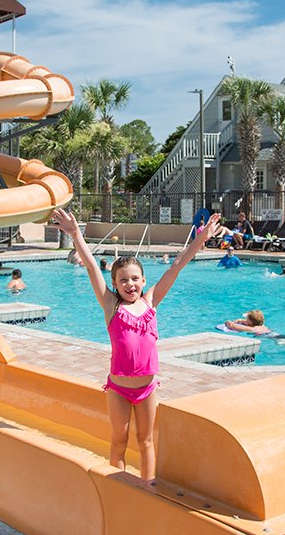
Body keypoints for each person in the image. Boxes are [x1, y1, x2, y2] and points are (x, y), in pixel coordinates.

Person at [50, 207, 221, 486]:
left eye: (135, 279)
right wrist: (75, 235)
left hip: (147, 388)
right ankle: (117, 489)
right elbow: (93, 267)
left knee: (146, 441)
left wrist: (200, 238)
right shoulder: (111, 306)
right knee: (119, 440)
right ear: (115, 285)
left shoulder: (151, 302)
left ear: (143, 281)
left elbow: (176, 266)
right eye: (123, 280)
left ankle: (148, 488)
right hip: (118, 389)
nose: (130, 284)